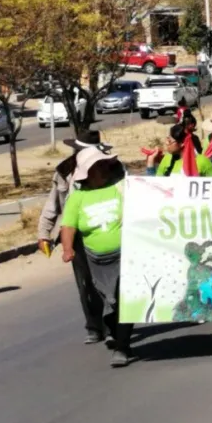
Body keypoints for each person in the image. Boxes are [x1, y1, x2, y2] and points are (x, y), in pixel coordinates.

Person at [38, 131, 115, 344]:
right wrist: (44, 233)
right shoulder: (63, 171)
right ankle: (93, 326)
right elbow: (52, 204)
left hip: (106, 230)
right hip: (75, 234)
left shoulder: (110, 170)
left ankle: (111, 327)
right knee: (85, 283)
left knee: (109, 282)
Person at [59, 146, 133, 367]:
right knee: (109, 302)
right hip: (96, 260)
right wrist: (67, 249)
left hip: (125, 255)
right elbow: (68, 226)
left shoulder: (120, 188)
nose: (103, 169)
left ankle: (122, 348)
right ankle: (113, 329)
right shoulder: (77, 198)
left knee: (124, 300)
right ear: (87, 172)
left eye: (103, 165)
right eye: (97, 166)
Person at [146, 123, 212, 176]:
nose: (166, 143)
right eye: (167, 139)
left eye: (170, 141)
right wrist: (150, 160)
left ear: (181, 143)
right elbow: (155, 186)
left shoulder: (202, 162)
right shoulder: (167, 158)